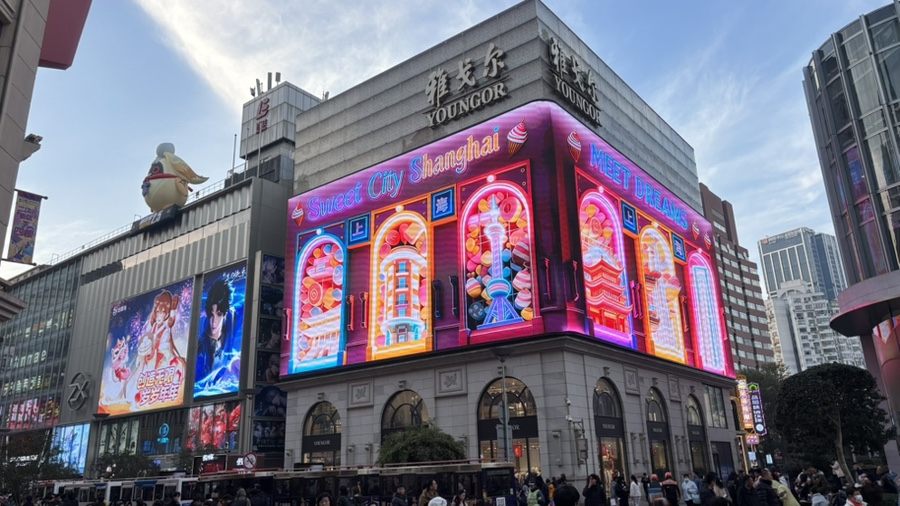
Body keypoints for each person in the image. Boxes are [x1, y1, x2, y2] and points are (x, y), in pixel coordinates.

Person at [196, 279, 237, 384]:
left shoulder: (231, 317)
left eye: (219, 314)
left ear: (225, 313)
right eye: (211, 314)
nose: (214, 322)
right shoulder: (200, 346)